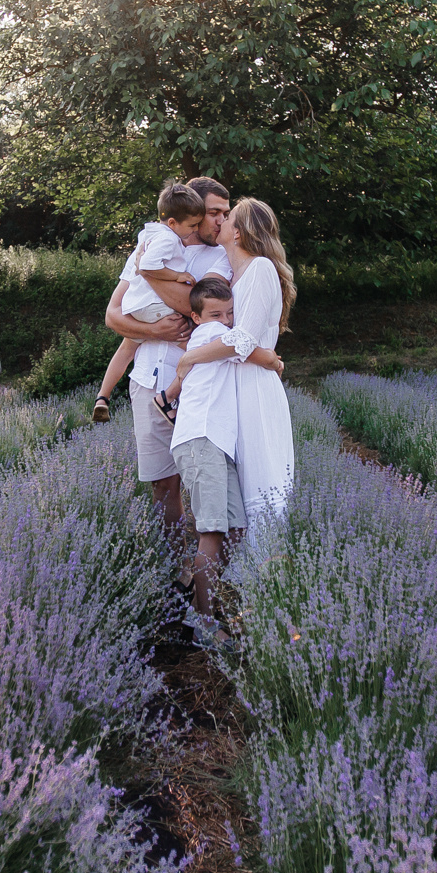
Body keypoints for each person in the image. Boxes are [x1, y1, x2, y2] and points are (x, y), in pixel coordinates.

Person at [101, 177, 233, 537]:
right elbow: (114, 315)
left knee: (206, 479)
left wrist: (149, 271)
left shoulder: (220, 256)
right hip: (146, 381)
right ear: (188, 212)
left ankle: (211, 571)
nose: (222, 220)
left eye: (226, 212)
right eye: (213, 213)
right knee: (163, 484)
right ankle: (174, 566)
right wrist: (153, 331)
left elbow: (195, 306)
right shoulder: (150, 243)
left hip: (195, 386)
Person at [171, 196, 296, 527]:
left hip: (254, 388)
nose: (220, 222)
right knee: (239, 487)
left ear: (238, 233)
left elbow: (243, 339)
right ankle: (246, 573)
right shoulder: (233, 277)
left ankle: (269, 571)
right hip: (233, 389)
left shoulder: (260, 268)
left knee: (262, 481)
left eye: (228, 218)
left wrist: (191, 358)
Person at [166, 273, 244, 644]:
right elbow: (246, 344)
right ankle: (203, 623)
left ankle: (191, 592)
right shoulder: (210, 336)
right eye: (216, 314)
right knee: (212, 531)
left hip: (213, 441)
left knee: (235, 528)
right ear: (197, 318)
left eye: (229, 313)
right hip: (201, 439)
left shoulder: (210, 335)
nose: (225, 321)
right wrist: (273, 360)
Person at [91, 182, 209, 423]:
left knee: (126, 349)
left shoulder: (150, 234)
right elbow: (146, 267)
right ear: (174, 223)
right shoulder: (168, 239)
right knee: (190, 337)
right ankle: (168, 398)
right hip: (155, 306)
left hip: (137, 305)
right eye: (192, 225)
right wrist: (177, 276)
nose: (195, 230)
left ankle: (103, 397)